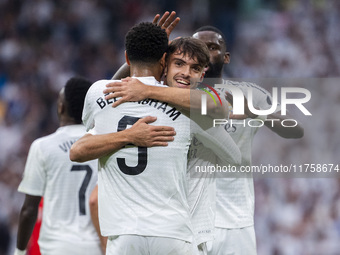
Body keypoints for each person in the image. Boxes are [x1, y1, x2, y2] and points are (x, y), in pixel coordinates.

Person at [192, 25, 304, 255]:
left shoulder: (247, 93)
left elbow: (295, 129)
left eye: (212, 47)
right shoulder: (176, 97)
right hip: (189, 222)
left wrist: (254, 112)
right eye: (198, 48)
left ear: (226, 57)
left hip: (236, 223)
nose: (204, 53)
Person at [15, 77, 102, 255]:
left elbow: (29, 209)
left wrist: (20, 250)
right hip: (95, 246)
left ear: (61, 107)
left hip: (56, 246)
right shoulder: (104, 145)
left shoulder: (42, 147)